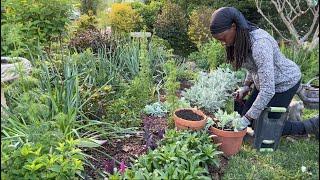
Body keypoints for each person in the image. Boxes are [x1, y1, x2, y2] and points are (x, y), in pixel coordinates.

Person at [210, 7, 319, 139]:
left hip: (285, 82)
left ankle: (313, 125)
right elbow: (253, 67)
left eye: (223, 38)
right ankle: (289, 109)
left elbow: (268, 90)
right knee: (248, 115)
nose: (223, 43)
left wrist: (246, 119)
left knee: (264, 125)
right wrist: (246, 86)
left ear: (233, 26)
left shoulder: (260, 44)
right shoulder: (242, 38)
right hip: (265, 82)